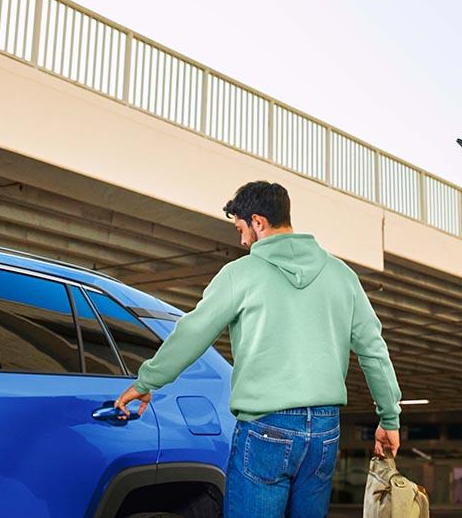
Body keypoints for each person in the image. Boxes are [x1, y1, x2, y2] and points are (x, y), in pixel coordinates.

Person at [115, 180, 402, 517]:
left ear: (258, 222)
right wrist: (389, 417)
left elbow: (193, 332)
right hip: (325, 431)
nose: (241, 240)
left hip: (268, 427)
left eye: (242, 229)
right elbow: (373, 349)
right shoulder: (342, 275)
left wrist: (147, 382)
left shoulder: (240, 274)